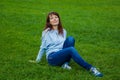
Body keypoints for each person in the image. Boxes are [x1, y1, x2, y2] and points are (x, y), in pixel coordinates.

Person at [35, 12, 103, 77]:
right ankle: (91, 68)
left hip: (61, 53)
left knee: (71, 39)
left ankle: (65, 64)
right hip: (52, 57)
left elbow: (63, 45)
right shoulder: (46, 32)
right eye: (52, 18)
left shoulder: (63, 31)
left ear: (59, 19)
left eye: (56, 17)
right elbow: (42, 47)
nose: (55, 19)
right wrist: (37, 60)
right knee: (71, 50)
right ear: (49, 21)